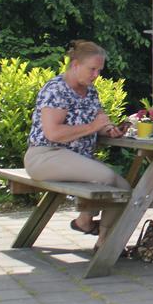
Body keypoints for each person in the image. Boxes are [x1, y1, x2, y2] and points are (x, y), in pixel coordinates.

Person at [23, 40, 129, 250]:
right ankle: (86, 221)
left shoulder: (90, 92)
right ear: (75, 65)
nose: (96, 75)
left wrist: (110, 130)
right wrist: (92, 126)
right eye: (92, 69)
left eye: (99, 70)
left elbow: (100, 122)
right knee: (106, 177)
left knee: (125, 189)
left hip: (75, 158)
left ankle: (104, 241)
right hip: (46, 155)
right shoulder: (57, 89)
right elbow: (53, 133)